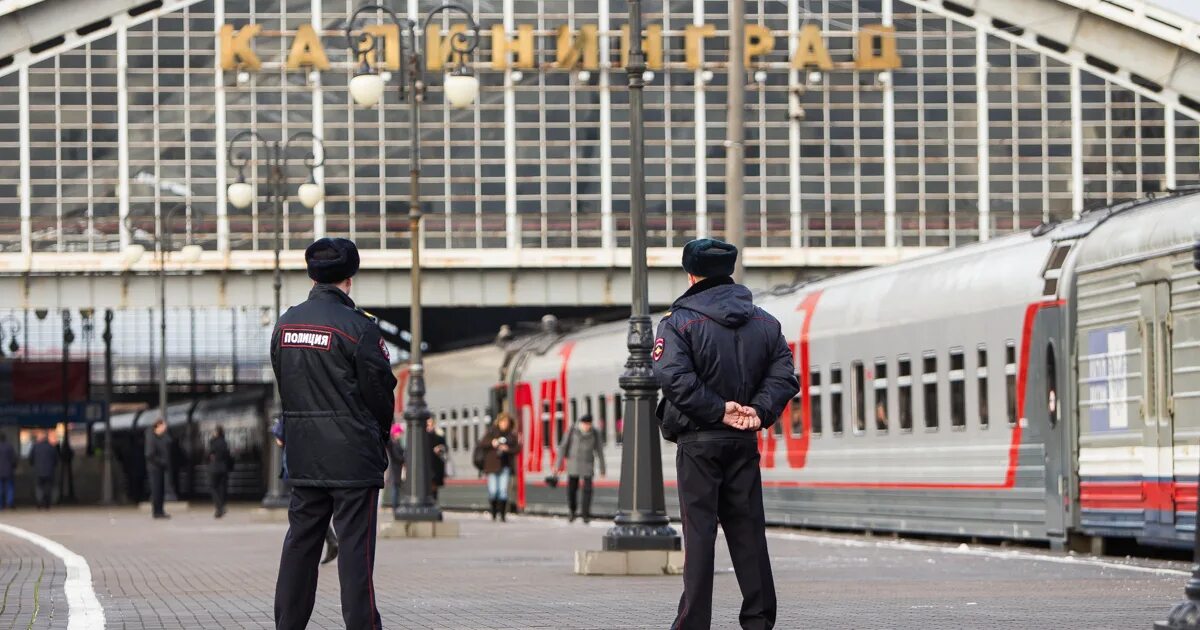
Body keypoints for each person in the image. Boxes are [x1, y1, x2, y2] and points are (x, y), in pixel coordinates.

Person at [653, 238, 799, 630]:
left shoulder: (678, 323)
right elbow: (785, 375)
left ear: (691, 274)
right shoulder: (766, 322)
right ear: (729, 271)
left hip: (699, 442)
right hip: (743, 441)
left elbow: (673, 378)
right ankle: (758, 621)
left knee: (699, 536)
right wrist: (757, 411)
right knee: (749, 533)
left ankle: (693, 624)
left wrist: (719, 410)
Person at [272, 237, 397, 630]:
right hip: (353, 459)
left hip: (305, 456)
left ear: (312, 275)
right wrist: (378, 437)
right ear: (350, 277)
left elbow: (286, 384)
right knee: (355, 554)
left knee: (300, 546)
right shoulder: (359, 328)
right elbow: (380, 394)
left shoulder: (285, 324)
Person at [272, 420, 339, 566]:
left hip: (298, 470)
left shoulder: (292, 411)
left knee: (305, 514)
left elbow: (279, 436)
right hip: (313, 466)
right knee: (313, 509)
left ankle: (329, 541)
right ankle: (330, 540)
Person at [552, 414, 606, 523]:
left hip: (587, 464)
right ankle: (572, 510)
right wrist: (557, 465)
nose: (586, 426)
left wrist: (602, 469)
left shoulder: (595, 433)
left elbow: (600, 451)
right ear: (581, 423)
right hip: (573, 464)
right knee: (572, 489)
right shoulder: (572, 431)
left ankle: (585, 514)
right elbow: (563, 447)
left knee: (588, 490)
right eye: (585, 424)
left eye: (588, 424)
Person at [476, 413, 519, 522]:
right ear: (499, 422)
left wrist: (507, 449)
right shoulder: (491, 432)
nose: (504, 424)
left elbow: (517, 448)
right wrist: (492, 443)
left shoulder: (511, 435)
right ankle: (494, 513)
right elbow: (481, 443)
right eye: (503, 422)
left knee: (503, 491)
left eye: (507, 423)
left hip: (505, 466)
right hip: (491, 466)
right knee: (493, 491)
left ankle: (502, 515)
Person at [145, 418, 171, 519]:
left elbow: (169, 442)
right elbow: (149, 454)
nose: (165, 429)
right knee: (156, 490)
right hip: (154, 468)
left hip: (160, 468)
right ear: (158, 426)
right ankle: (156, 511)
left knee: (161, 490)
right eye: (163, 426)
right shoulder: (151, 437)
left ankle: (160, 510)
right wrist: (161, 462)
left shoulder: (161, 437)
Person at [207, 425, 234, 518]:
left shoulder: (213, 442)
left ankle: (219, 507)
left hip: (214, 467)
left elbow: (209, 454)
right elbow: (228, 455)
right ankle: (222, 505)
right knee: (222, 487)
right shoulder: (225, 442)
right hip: (224, 468)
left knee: (213, 487)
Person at [29, 431, 58, 510]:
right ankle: (47, 503)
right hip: (49, 471)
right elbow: (56, 459)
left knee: (39, 487)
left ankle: (39, 502)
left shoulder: (36, 447)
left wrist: (34, 465)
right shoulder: (51, 447)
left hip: (38, 471)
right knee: (48, 487)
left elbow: (31, 458)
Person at [427, 417, 448, 501]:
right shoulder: (423, 436)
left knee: (434, 486)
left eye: (431, 424)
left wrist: (440, 448)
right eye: (428, 424)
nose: (429, 426)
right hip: (427, 465)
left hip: (436, 465)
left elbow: (445, 447)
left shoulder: (439, 436)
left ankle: (434, 501)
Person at [387, 423, 405, 509]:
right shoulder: (394, 443)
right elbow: (396, 456)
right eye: (399, 433)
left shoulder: (396, 442)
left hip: (397, 469)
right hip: (395, 470)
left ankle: (397, 505)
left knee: (397, 489)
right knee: (395, 489)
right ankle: (395, 506)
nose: (400, 435)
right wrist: (404, 458)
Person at [0, 433, 16, 510]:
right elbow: (14, 459)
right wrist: (13, 467)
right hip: (8, 471)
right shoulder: (9, 447)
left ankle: (1, 505)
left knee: (0, 488)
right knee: (9, 488)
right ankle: (9, 504)